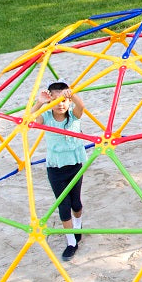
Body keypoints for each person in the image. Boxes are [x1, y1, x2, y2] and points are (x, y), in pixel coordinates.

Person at [35, 81, 89, 259]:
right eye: (55, 100)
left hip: (75, 165)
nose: (60, 104)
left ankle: (78, 225)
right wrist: (40, 102)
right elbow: (29, 117)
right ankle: (71, 241)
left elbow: (81, 105)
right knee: (63, 206)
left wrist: (71, 94)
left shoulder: (74, 116)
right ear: (50, 99)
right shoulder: (47, 119)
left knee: (76, 204)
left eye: (64, 100)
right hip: (56, 169)